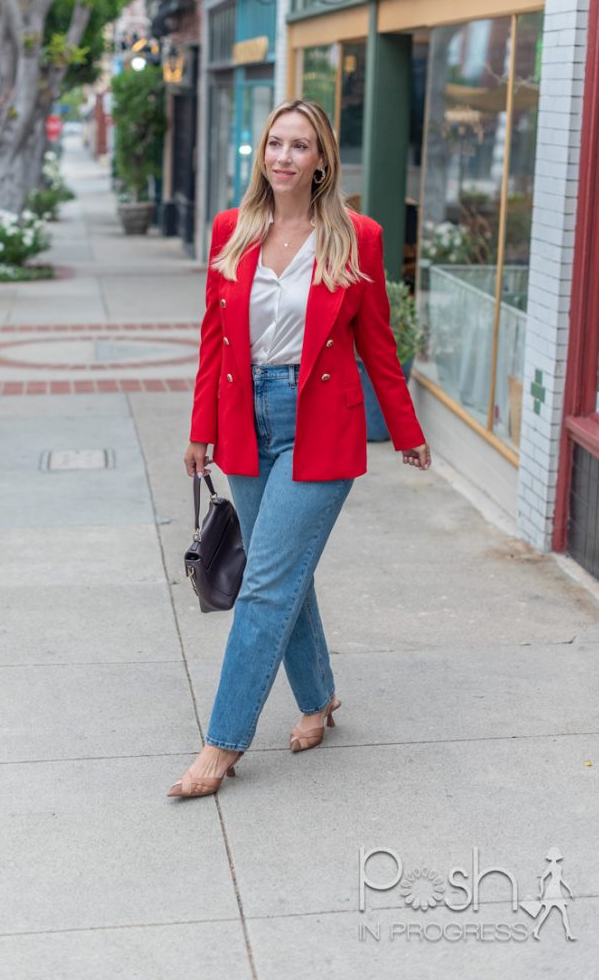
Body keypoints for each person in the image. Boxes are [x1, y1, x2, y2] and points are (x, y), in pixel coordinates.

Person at [169, 99, 430, 799]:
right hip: (245, 420)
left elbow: (377, 343)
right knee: (286, 575)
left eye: (300, 145)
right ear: (263, 155)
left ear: (321, 161)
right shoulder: (234, 229)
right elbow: (213, 339)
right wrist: (201, 429)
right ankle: (318, 699)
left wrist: (406, 432)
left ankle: (222, 744)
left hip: (321, 425)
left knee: (266, 581)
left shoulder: (356, 237)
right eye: (275, 143)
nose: (284, 156)